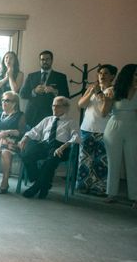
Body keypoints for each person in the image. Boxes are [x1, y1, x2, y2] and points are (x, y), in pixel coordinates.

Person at [19, 96, 79, 199]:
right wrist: (25, 137)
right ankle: (44, 184)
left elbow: (76, 137)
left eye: (58, 106)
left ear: (65, 108)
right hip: (45, 144)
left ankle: (35, 188)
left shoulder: (71, 121)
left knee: (49, 162)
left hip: (61, 147)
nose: (54, 108)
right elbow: (35, 131)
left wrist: (64, 146)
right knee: (26, 154)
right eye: (53, 106)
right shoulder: (47, 119)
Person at [76, 64, 117, 196]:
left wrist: (99, 93)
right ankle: (83, 185)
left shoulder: (112, 90)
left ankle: (99, 187)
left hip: (104, 131)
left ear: (112, 76)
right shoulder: (92, 88)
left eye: (105, 73)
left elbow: (104, 112)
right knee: (85, 159)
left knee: (100, 161)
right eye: (100, 73)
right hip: (87, 128)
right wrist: (91, 92)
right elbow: (81, 104)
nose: (102, 76)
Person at [101, 64, 137, 208]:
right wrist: (108, 100)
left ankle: (134, 196)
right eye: (135, 75)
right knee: (113, 162)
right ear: (127, 76)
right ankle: (111, 193)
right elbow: (104, 113)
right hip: (113, 127)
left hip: (133, 128)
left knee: (133, 162)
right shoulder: (113, 90)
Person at [19, 50, 69, 127]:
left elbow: (66, 96)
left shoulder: (61, 77)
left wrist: (54, 91)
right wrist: (34, 91)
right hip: (32, 115)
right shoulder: (31, 76)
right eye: (42, 59)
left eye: (47, 59)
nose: (45, 61)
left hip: (50, 113)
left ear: (52, 61)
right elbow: (22, 94)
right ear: (40, 61)